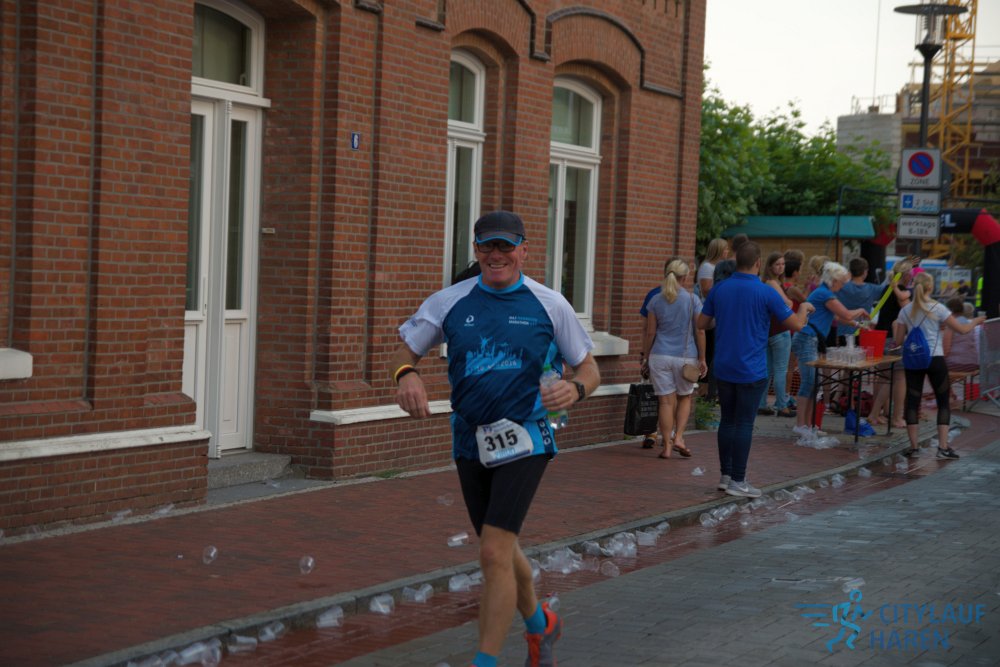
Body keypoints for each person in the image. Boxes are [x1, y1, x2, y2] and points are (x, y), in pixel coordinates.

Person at [394, 210, 600, 667]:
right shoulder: (449, 301)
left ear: (524, 251)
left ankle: (484, 661)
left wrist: (577, 389)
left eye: (506, 246)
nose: (496, 254)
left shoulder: (550, 304)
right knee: (501, 550)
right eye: (487, 245)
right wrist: (406, 375)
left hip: (528, 436)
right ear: (476, 250)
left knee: (492, 550)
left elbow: (589, 367)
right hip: (470, 440)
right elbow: (405, 351)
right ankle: (541, 625)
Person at [697, 242, 814, 498]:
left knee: (727, 420)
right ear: (759, 263)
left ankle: (726, 476)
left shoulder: (720, 289)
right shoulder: (766, 292)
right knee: (744, 424)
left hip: (724, 365)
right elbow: (796, 324)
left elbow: (701, 323)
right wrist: (805, 307)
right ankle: (738, 480)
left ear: (736, 261)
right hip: (751, 368)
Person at [893, 272, 986, 459]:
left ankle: (914, 448)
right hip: (935, 359)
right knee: (943, 400)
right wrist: (976, 320)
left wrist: (897, 326)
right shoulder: (938, 308)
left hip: (914, 360)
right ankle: (943, 448)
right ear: (930, 287)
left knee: (912, 401)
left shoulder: (905, 310)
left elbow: (898, 340)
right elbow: (962, 329)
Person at [790, 262, 869, 439]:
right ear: (833, 280)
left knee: (813, 383)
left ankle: (809, 425)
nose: (842, 286)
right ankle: (800, 425)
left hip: (811, 339)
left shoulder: (823, 293)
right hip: (807, 339)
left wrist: (857, 324)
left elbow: (836, 316)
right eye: (841, 282)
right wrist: (861, 311)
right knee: (809, 383)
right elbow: (845, 314)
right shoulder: (825, 294)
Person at [643, 259, 706, 459]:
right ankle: (678, 437)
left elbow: (650, 333)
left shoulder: (655, 300)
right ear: (685, 277)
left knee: (665, 403)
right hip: (685, 358)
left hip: (659, 356)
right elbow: (700, 330)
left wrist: (645, 357)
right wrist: (702, 358)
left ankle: (667, 447)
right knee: (684, 397)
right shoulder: (693, 300)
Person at [637, 258, 680, 449]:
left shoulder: (653, 295)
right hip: (679, 354)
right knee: (672, 397)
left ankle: (651, 432)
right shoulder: (687, 297)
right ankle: (669, 435)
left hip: (656, 353)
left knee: (654, 394)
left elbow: (647, 329)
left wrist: (644, 354)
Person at [867, 259, 916, 427]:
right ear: (906, 275)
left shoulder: (887, 289)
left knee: (884, 377)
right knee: (899, 377)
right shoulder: (900, 291)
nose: (912, 277)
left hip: (882, 336)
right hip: (894, 338)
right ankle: (896, 417)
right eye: (911, 274)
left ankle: (876, 414)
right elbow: (908, 309)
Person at [758, 252, 795, 417]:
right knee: (780, 369)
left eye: (783, 264)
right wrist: (790, 302)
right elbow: (787, 303)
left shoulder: (765, 282)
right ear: (770, 266)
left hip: (768, 330)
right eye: (777, 264)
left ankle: (761, 403)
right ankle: (781, 405)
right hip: (780, 329)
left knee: (767, 370)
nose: (781, 267)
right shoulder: (772, 282)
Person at [697, 239, 729, 403]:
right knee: (710, 351)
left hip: (717, 314)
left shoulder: (718, 267)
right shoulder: (707, 267)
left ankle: (711, 390)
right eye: (725, 249)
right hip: (709, 314)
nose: (727, 252)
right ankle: (705, 391)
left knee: (714, 351)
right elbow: (706, 290)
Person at [835, 258, 881, 345]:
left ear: (850, 271)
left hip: (843, 331)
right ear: (865, 272)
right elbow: (888, 289)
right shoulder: (872, 289)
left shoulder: (841, 287)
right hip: (863, 330)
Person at [942, 297, 979, 373]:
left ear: (949, 311)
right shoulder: (970, 324)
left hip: (956, 364)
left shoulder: (950, 325)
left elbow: (946, 351)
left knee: (933, 366)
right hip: (973, 363)